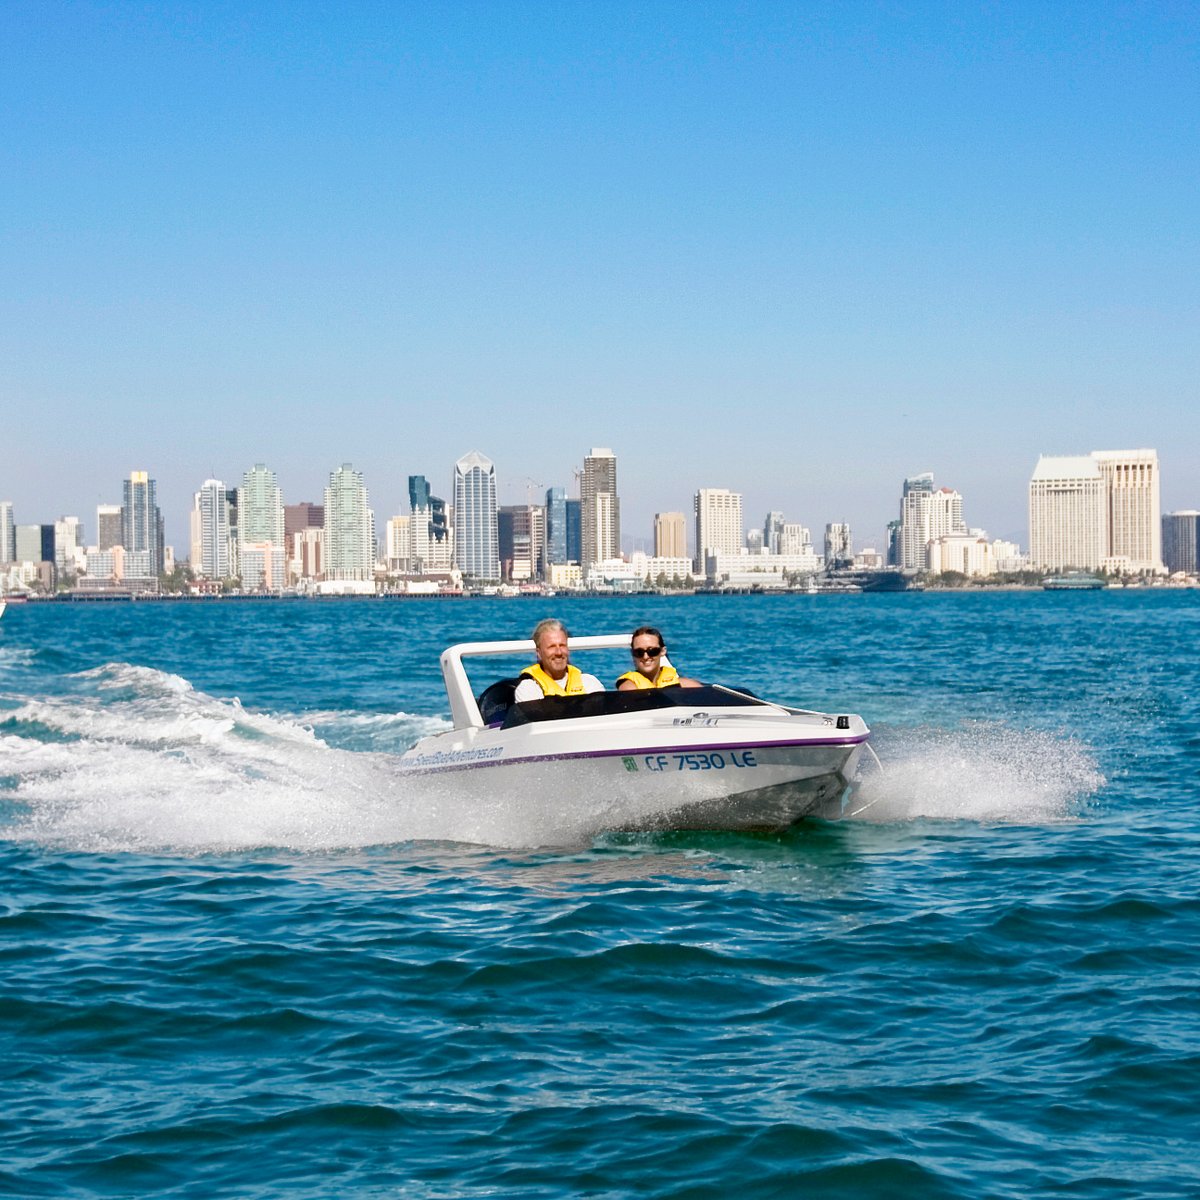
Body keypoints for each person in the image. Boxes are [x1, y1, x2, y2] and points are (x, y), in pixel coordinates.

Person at [513, 618, 605, 701]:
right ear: (539, 653)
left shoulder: (589, 683)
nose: (558, 652)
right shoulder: (528, 689)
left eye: (562, 645)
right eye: (551, 647)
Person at [616, 626, 702, 690]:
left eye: (652, 651)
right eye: (639, 652)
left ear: (662, 651)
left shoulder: (683, 684)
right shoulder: (628, 686)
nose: (646, 657)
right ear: (632, 654)